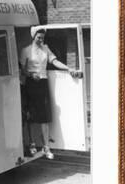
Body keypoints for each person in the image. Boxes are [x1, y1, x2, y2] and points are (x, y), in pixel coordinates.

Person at [19, 28, 80, 159]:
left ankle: (47, 147)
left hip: (43, 83)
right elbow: (22, 70)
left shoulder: (46, 49)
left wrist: (69, 68)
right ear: (33, 36)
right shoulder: (26, 50)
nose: (41, 40)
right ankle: (32, 144)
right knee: (31, 114)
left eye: (42, 38)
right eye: (38, 37)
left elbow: (55, 61)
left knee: (44, 115)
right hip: (31, 83)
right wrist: (31, 74)